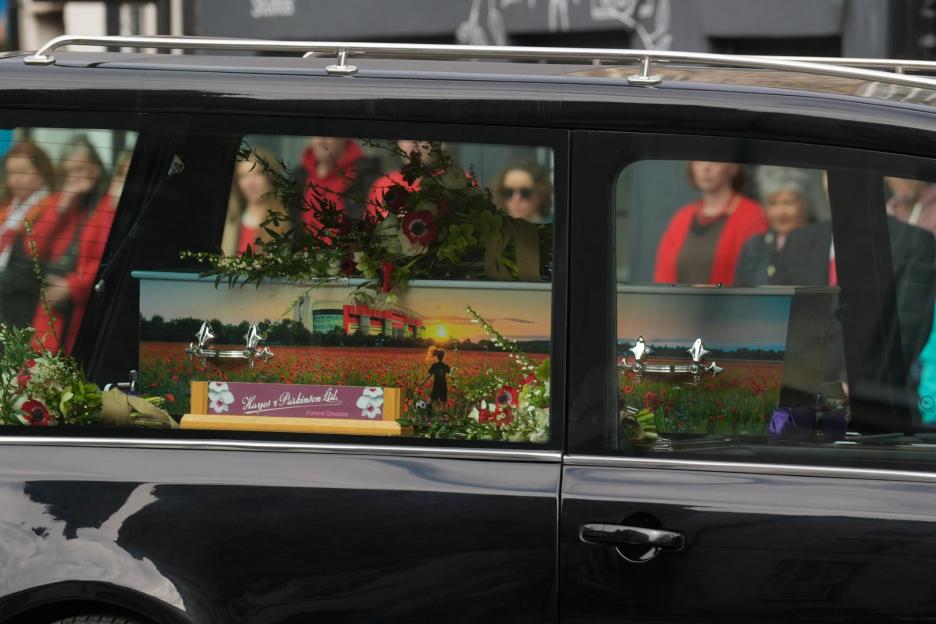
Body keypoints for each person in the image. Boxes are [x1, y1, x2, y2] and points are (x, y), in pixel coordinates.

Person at [3, 136, 108, 349]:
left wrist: (73, 286)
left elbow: (108, 259)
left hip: (82, 304)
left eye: (79, 169)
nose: (74, 178)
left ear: (95, 170)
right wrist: (61, 208)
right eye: (68, 172)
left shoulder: (106, 206)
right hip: (52, 304)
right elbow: (33, 248)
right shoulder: (62, 202)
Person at [654, 161, 767, 285]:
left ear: (732, 168)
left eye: (715, 161)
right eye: (699, 161)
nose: (706, 167)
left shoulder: (754, 217)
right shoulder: (680, 218)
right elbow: (663, 280)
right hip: (677, 304)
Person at [735, 166, 814, 286]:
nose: (780, 212)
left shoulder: (821, 243)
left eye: (788, 202)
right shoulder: (753, 247)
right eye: (773, 203)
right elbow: (740, 295)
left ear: (804, 204)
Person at [294, 136, 379, 234]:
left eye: (328, 134)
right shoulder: (300, 177)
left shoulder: (366, 177)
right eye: (315, 134)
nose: (320, 141)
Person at [0, 140, 55, 284]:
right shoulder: (7, 206)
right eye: (10, 173)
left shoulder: (51, 207)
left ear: (42, 172)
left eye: (22, 172)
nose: (14, 180)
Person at [222, 147, 290, 255]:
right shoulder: (229, 222)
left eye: (257, 173)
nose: (250, 183)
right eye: (243, 176)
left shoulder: (286, 222)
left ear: (270, 177)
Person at [421, 349, 452, 414]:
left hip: (436, 386)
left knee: (429, 402)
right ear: (443, 357)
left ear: (436, 356)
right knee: (443, 404)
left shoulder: (434, 366)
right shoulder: (446, 366)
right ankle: (444, 419)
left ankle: (429, 417)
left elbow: (429, 375)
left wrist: (423, 382)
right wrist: (454, 383)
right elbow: (452, 376)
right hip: (444, 386)